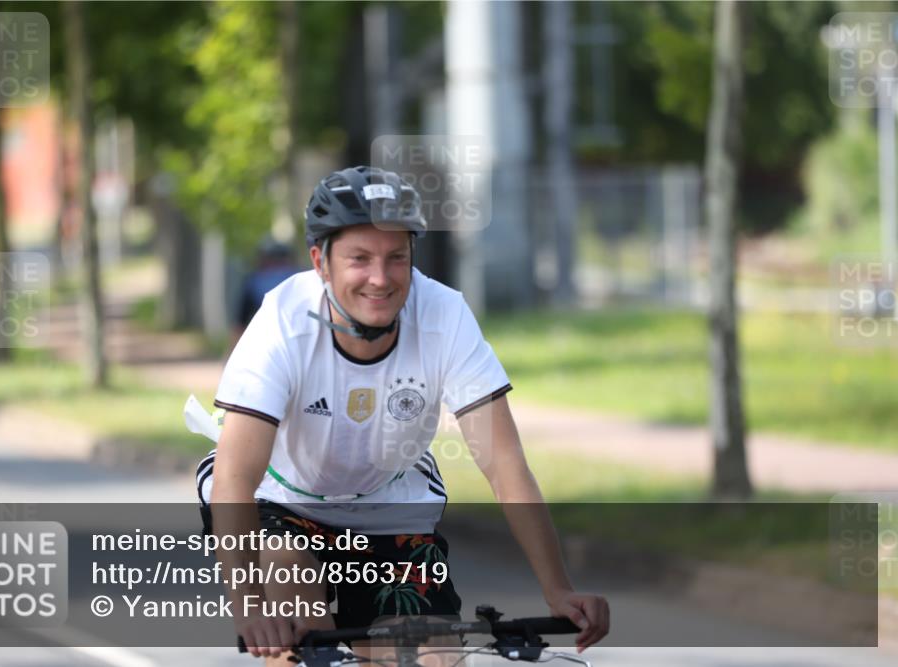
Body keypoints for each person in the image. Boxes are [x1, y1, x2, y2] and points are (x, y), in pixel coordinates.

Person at [196, 166, 609, 665]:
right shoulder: (281, 323)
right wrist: (250, 607)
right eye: (360, 259)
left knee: (434, 654)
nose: (380, 278)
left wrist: (558, 589)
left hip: (387, 502)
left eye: (397, 258)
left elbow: (504, 464)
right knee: (302, 626)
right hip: (283, 500)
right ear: (320, 262)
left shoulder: (443, 314)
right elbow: (235, 480)